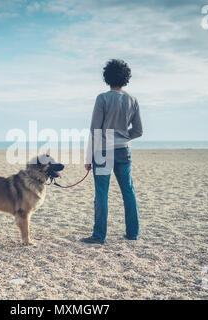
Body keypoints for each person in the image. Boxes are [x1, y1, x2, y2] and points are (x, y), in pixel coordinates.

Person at [81, 59, 143, 245]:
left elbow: (95, 130)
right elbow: (138, 131)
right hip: (124, 151)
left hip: (103, 151)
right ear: (126, 78)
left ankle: (99, 236)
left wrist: (88, 157)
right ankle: (133, 233)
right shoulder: (132, 100)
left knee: (101, 194)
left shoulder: (103, 98)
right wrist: (123, 137)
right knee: (128, 191)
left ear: (107, 77)